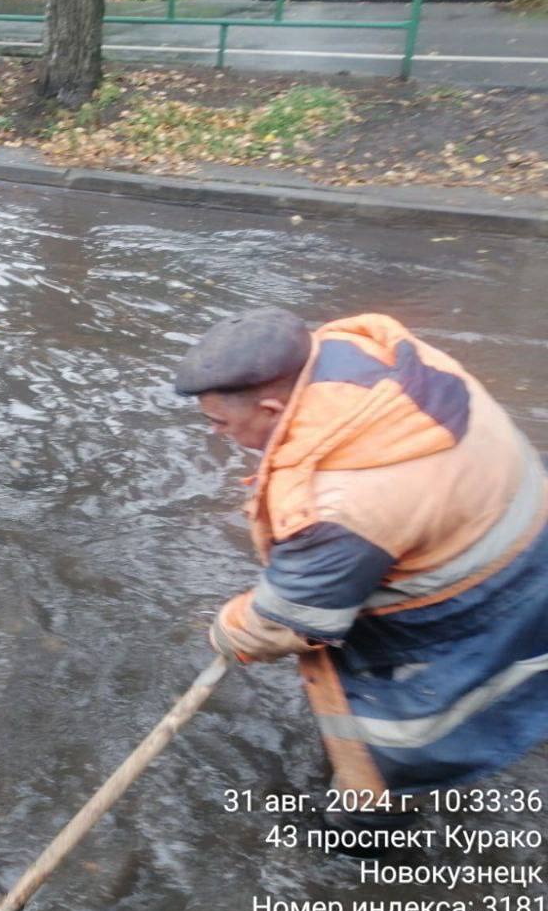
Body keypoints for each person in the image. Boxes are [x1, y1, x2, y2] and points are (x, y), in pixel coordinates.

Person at [175, 308, 548, 841]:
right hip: (522, 528)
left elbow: (288, 622)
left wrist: (228, 630)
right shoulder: (364, 356)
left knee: (394, 744)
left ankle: (369, 841)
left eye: (222, 424)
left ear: (272, 407)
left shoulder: (339, 506)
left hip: (481, 598)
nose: (218, 434)